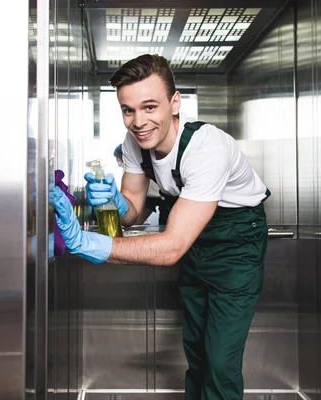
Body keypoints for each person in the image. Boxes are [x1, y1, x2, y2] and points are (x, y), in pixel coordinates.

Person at [53, 54, 270, 400]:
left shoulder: (206, 147)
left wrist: (84, 242)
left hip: (236, 248)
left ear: (174, 103)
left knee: (219, 364)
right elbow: (134, 213)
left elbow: (171, 247)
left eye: (150, 107)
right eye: (128, 110)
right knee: (197, 354)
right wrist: (115, 201)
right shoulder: (135, 144)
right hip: (195, 245)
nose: (139, 121)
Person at [114, 143, 168, 225]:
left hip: (162, 195)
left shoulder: (142, 159)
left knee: (166, 222)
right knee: (135, 221)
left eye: (119, 159)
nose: (119, 162)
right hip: (149, 196)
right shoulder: (131, 168)